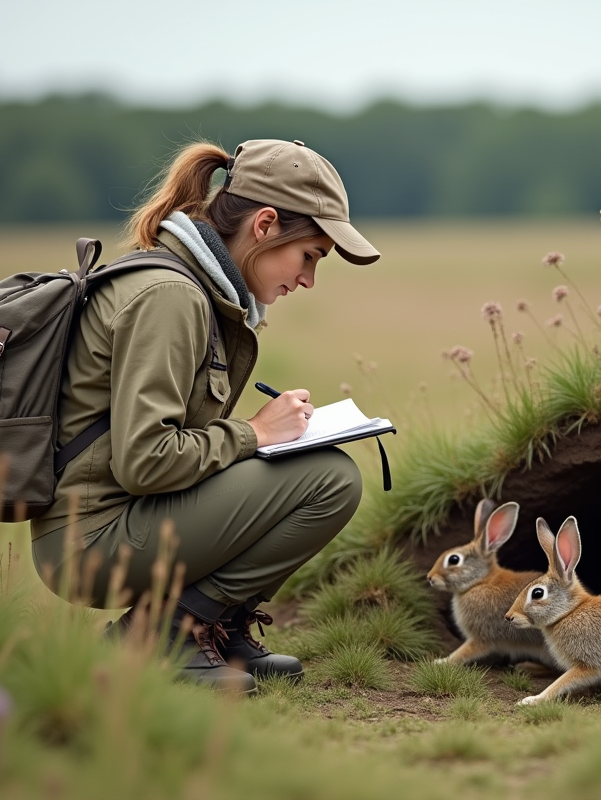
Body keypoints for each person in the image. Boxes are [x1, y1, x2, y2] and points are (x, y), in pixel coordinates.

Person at [30, 139, 379, 693]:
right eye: (310, 255)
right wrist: (255, 433)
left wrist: (261, 441)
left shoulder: (196, 292)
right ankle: (166, 634)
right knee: (330, 480)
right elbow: (147, 462)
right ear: (265, 224)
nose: (309, 278)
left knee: (319, 471)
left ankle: (212, 626)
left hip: (125, 522)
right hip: (91, 542)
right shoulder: (170, 297)